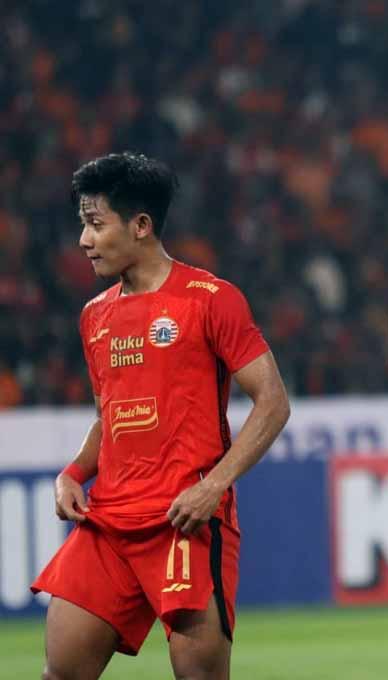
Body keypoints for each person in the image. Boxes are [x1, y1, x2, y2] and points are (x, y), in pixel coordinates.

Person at [32, 152, 291, 680]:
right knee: (60, 673)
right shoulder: (94, 315)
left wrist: (213, 486)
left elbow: (273, 402)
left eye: (95, 223)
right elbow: (110, 415)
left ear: (141, 225)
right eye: (83, 223)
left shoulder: (210, 300)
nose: (83, 240)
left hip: (184, 520)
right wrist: (74, 473)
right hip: (108, 524)